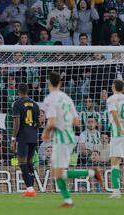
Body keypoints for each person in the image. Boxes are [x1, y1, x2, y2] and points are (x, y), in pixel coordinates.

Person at [42, 71, 103, 208]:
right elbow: (76, 121)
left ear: (48, 83)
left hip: (61, 138)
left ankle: (92, 172)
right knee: (57, 172)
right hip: (70, 137)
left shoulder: (50, 98)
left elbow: (51, 122)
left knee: (57, 173)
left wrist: (45, 133)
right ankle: (68, 201)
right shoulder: (67, 98)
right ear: (61, 83)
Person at [11, 83, 40, 197]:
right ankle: (31, 189)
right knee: (29, 162)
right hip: (33, 135)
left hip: (23, 135)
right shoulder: (35, 104)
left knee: (22, 162)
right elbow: (40, 122)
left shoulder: (17, 104)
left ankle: (30, 189)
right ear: (27, 91)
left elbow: (17, 123)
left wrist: (13, 138)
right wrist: (33, 130)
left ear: (18, 92)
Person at [106, 79, 124, 198]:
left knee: (115, 160)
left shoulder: (111, 99)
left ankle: (116, 191)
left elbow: (114, 113)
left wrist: (120, 128)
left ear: (113, 87)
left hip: (118, 132)